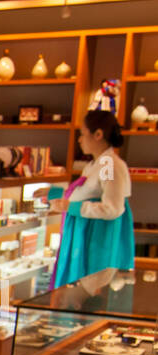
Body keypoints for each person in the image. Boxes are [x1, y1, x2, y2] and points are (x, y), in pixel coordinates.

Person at [51, 109, 134, 287]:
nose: (79, 140)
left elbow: (112, 208)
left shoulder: (108, 163)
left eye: (82, 134)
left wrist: (71, 207)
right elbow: (85, 192)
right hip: (87, 235)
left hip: (96, 240)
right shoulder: (95, 164)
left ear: (98, 134)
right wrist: (54, 195)